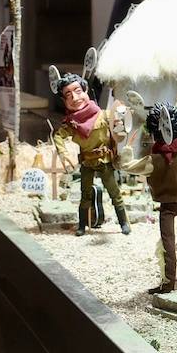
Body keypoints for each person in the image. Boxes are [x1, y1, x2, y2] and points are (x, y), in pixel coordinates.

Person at [121, 103, 177, 293]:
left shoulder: (154, 159)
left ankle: (169, 281)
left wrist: (128, 148)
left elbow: (127, 166)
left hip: (167, 205)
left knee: (168, 241)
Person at [50, 70, 130, 236]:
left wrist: (122, 120)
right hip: (86, 163)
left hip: (105, 161)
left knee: (114, 193)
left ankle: (124, 223)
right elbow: (58, 136)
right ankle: (81, 225)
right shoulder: (71, 124)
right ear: (64, 100)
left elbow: (120, 127)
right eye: (68, 95)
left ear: (86, 91)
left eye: (78, 91)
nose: (75, 97)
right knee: (85, 194)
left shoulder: (104, 115)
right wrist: (63, 153)